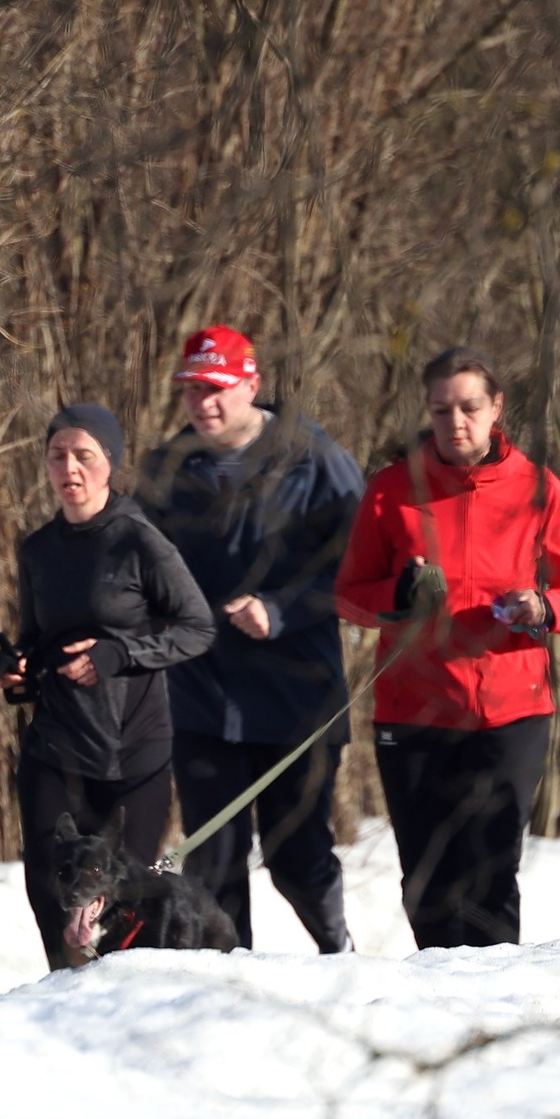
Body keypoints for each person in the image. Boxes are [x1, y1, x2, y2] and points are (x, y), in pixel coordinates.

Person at [336, 347, 560, 949]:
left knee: (490, 875)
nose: (455, 421)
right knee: (428, 881)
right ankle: (436, 1007)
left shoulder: (537, 488)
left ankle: (495, 1005)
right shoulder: (391, 491)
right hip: (414, 711)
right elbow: (349, 595)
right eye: (441, 410)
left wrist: (544, 607)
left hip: (508, 707)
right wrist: (398, 596)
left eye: (469, 407)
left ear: (496, 408)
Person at [134, 326, 364, 952]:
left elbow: (359, 566)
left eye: (216, 389)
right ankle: (227, 983)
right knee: (213, 859)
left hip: (298, 696)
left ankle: (337, 953)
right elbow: (134, 568)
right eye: (191, 391)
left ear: (251, 385)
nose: (203, 403)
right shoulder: (164, 471)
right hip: (202, 697)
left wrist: (283, 609)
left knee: (297, 856)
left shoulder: (316, 459)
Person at [0, 402, 215, 970]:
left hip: (135, 750)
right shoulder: (38, 549)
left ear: (110, 463)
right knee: (47, 881)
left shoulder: (141, 542)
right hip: (58, 745)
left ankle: (119, 1002)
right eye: (58, 456)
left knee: (125, 896)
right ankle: (63, 992)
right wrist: (9, 665)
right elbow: (39, 640)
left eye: (85, 456)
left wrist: (121, 653)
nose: (71, 469)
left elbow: (198, 628)